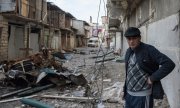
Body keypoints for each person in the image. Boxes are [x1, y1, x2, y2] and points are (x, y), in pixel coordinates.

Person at [122, 27, 175, 108]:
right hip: (129, 95)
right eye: (129, 39)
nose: (131, 41)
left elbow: (169, 64)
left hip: (142, 97)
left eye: (134, 38)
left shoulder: (148, 50)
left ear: (139, 38)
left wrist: (152, 78)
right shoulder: (128, 51)